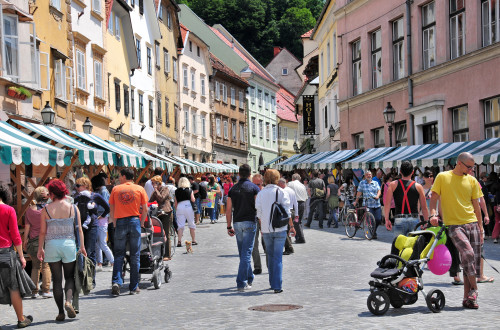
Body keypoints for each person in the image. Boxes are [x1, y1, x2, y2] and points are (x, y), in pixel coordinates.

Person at [429, 152, 483, 309]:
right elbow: (433, 198)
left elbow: (477, 206)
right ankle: (475, 290)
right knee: (468, 254)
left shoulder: (472, 180)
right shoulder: (443, 177)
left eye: (473, 167)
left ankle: (468, 299)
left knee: (469, 261)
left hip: (472, 222)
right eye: (469, 167)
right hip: (453, 225)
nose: (472, 170)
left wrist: (480, 227)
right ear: (459, 163)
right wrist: (433, 214)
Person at [38, 179, 86, 321]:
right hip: (68, 244)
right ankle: (68, 302)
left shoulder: (45, 210)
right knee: (69, 277)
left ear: (51, 193)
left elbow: (42, 232)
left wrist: (40, 248)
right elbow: (80, 229)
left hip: (52, 245)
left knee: (57, 280)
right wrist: (82, 247)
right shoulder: (73, 208)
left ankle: (60, 312)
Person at [109, 168, 148, 296]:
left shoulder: (116, 189)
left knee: (119, 254)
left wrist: (114, 223)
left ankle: (117, 282)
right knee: (135, 255)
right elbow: (145, 209)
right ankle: (133, 287)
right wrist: (142, 222)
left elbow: (112, 208)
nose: (119, 178)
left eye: (120, 176)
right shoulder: (139, 189)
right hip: (134, 221)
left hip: (120, 222)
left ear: (124, 176)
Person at [0, 183, 34, 328]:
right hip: (6, 253)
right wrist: (21, 256)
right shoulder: (8, 210)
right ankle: (21, 319)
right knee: (13, 287)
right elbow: (15, 235)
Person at [256, 169, 295, 293]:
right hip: (280, 228)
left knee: (270, 256)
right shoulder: (281, 192)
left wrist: (262, 227)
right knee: (278, 258)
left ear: (265, 179)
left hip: (266, 229)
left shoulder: (261, 193)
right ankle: (277, 285)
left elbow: (259, 213)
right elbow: (287, 211)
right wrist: (292, 226)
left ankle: (272, 283)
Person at [226, 164, 261, 292]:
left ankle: (249, 276)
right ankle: (241, 282)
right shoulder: (254, 188)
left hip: (237, 222)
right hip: (250, 222)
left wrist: (229, 225)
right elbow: (258, 208)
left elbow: (228, 210)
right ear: (250, 174)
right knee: (246, 253)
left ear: (239, 174)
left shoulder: (232, 189)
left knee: (243, 253)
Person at [73, 177, 110, 276]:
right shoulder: (77, 197)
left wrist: (101, 217)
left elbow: (107, 208)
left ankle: (91, 277)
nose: (76, 188)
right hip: (79, 227)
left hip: (92, 226)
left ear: (85, 185)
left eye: (78, 186)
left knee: (90, 251)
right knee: (80, 250)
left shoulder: (95, 196)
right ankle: (82, 275)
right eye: (76, 186)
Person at [384, 161, 429, 237]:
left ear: (400, 171)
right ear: (412, 172)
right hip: (414, 218)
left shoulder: (392, 185)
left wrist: (387, 219)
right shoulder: (418, 186)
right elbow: (424, 207)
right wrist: (426, 222)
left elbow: (387, 203)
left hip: (399, 218)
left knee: (400, 245)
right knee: (414, 245)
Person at [23, 186, 53, 298]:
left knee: (35, 266)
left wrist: (25, 240)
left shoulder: (29, 210)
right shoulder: (48, 208)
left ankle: (34, 291)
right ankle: (46, 290)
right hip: (46, 240)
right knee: (45, 265)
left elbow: (27, 227)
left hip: (33, 241)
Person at [91, 174, 114, 272]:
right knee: (98, 243)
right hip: (101, 219)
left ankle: (113, 262)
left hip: (101, 219)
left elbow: (104, 206)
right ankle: (99, 263)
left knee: (102, 243)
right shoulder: (101, 191)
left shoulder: (103, 191)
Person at [149, 175, 173, 260]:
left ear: (158, 183)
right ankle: (158, 252)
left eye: (154, 183)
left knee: (166, 232)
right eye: (152, 183)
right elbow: (150, 200)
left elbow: (161, 198)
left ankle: (167, 254)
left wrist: (155, 190)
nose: (152, 184)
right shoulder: (155, 190)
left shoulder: (165, 189)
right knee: (157, 232)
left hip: (166, 212)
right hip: (158, 212)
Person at [354, 171, 382, 239]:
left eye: (370, 174)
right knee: (371, 220)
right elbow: (359, 193)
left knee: (378, 219)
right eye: (367, 175)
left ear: (372, 175)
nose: (368, 176)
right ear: (365, 176)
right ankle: (373, 232)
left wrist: (378, 196)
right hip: (368, 204)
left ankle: (374, 230)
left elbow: (379, 190)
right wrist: (356, 201)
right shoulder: (362, 183)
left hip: (376, 203)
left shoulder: (375, 183)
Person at [175, 177, 197, 246]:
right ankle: (193, 240)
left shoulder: (177, 190)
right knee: (191, 223)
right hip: (188, 205)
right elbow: (193, 199)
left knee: (180, 225)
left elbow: (175, 202)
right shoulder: (190, 190)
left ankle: (179, 241)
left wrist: (176, 209)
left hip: (180, 206)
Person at [278, 178, 297, 255]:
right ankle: (289, 247)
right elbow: (295, 203)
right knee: (287, 230)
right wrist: (297, 214)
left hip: (286, 212)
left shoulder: (283, 191)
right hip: (291, 211)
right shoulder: (291, 190)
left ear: (281, 184)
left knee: (284, 230)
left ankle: (289, 247)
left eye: (278, 184)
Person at [251, 173, 265, 275]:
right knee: (254, 245)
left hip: (265, 221)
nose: (257, 187)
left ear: (262, 183)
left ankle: (270, 266)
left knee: (267, 245)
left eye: (259, 184)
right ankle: (257, 267)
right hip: (254, 220)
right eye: (254, 184)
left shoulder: (266, 192)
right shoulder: (250, 192)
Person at [287, 173, 307, 243]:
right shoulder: (302, 185)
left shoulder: (290, 184)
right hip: (303, 203)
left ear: (292, 178)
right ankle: (298, 237)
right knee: (298, 221)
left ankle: (301, 238)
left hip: (295, 204)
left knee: (295, 222)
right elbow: (306, 196)